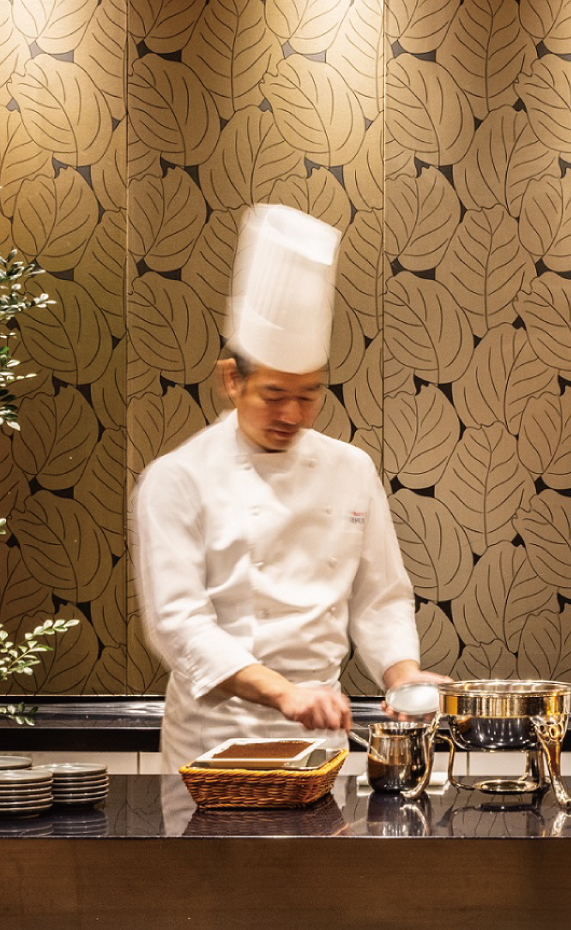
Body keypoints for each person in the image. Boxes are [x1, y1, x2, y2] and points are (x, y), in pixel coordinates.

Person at [132, 204, 445, 775]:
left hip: (322, 738)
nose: (293, 413)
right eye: (274, 394)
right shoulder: (177, 477)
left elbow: (380, 596)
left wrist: (402, 674)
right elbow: (178, 624)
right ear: (232, 379)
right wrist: (282, 693)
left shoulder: (351, 468)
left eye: (309, 395)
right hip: (215, 741)